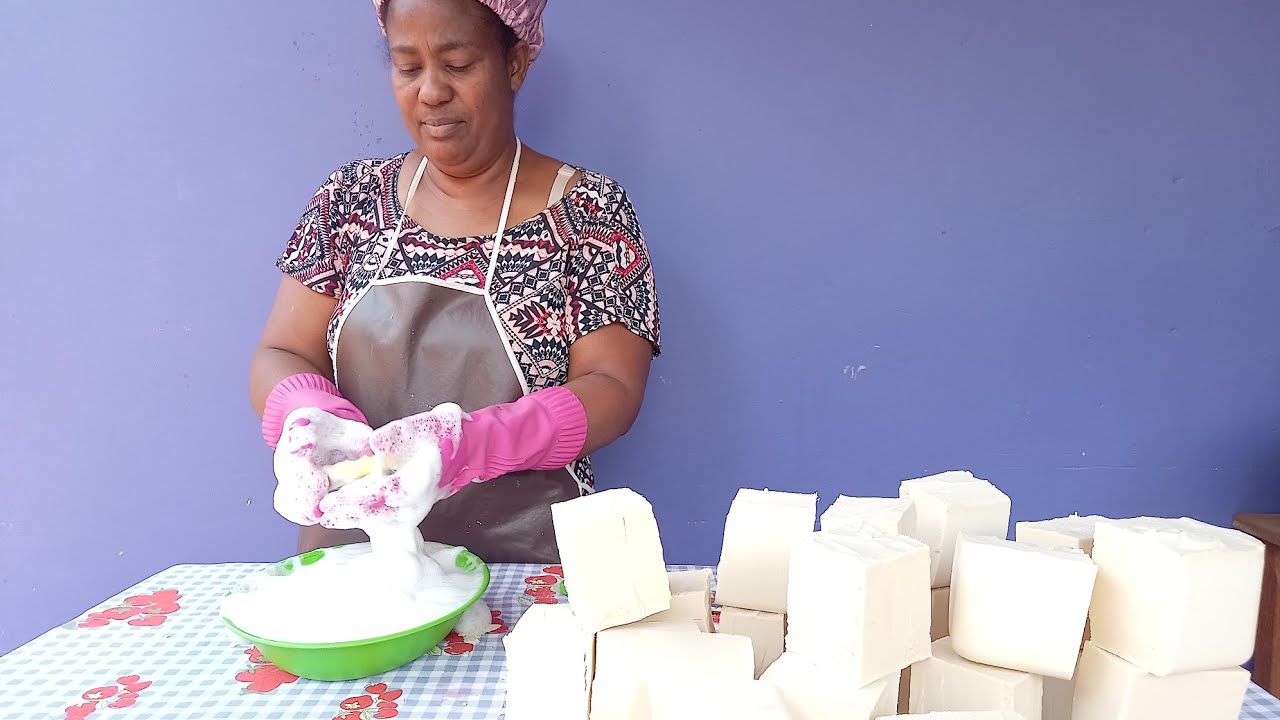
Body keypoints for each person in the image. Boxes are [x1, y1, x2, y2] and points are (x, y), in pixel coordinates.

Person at [248, 0, 660, 564]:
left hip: (524, 572)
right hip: (361, 570)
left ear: (514, 62)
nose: (431, 92)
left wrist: (469, 445)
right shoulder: (349, 201)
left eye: (459, 64)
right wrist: (312, 416)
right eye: (407, 66)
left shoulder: (590, 212)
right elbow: (281, 350)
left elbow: (613, 386)